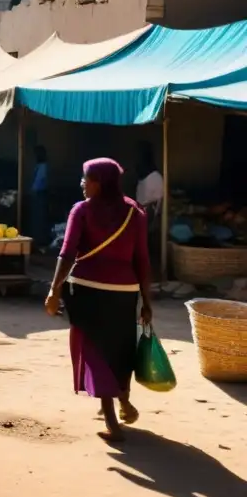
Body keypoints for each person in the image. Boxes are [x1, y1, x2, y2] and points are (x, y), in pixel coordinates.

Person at [45, 158, 152, 443]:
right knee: (120, 349)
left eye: (86, 179)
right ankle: (123, 400)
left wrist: (54, 290)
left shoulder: (81, 211)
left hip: (87, 290)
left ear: (101, 183)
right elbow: (141, 259)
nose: (82, 184)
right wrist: (147, 301)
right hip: (125, 293)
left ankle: (112, 422)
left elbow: (67, 254)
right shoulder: (135, 213)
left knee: (94, 352)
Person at [135, 144, 163, 227]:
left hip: (148, 225)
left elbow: (156, 206)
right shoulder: (142, 178)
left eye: (137, 156)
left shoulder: (155, 177)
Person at [31, 145, 50, 248]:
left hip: (40, 194)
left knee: (40, 217)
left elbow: (39, 182)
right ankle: (38, 240)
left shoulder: (43, 166)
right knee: (37, 217)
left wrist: (33, 192)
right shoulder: (39, 166)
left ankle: (40, 241)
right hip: (38, 194)